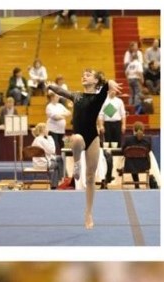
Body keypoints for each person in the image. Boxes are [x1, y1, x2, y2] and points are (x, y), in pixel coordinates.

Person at [46, 71, 122, 229]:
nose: (84, 76)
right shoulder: (76, 96)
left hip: (93, 137)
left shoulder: (98, 97)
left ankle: (88, 212)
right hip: (77, 139)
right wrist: (51, 86)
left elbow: (107, 84)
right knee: (78, 139)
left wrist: (110, 83)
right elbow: (61, 91)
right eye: (83, 74)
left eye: (88, 75)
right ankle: (77, 163)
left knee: (90, 178)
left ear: (95, 81)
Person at [29, 122, 62, 189]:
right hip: (44, 164)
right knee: (57, 164)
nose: (48, 130)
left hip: (36, 164)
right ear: (43, 130)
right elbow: (52, 151)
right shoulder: (42, 140)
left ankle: (58, 181)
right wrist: (50, 137)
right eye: (47, 128)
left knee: (59, 158)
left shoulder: (36, 140)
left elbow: (48, 152)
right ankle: (55, 184)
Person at [121, 121, 152, 188]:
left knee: (133, 163)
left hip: (130, 166)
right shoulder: (147, 140)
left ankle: (136, 184)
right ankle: (137, 183)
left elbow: (123, 151)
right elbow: (149, 150)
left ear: (133, 129)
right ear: (143, 129)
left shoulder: (128, 140)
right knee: (135, 163)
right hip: (144, 166)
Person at [45, 89, 71, 154]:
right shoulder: (49, 106)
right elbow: (56, 117)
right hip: (53, 130)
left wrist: (61, 115)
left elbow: (69, 113)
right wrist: (64, 115)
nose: (58, 97)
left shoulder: (60, 105)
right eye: (57, 96)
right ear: (52, 97)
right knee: (54, 146)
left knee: (63, 147)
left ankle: (64, 160)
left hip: (61, 130)